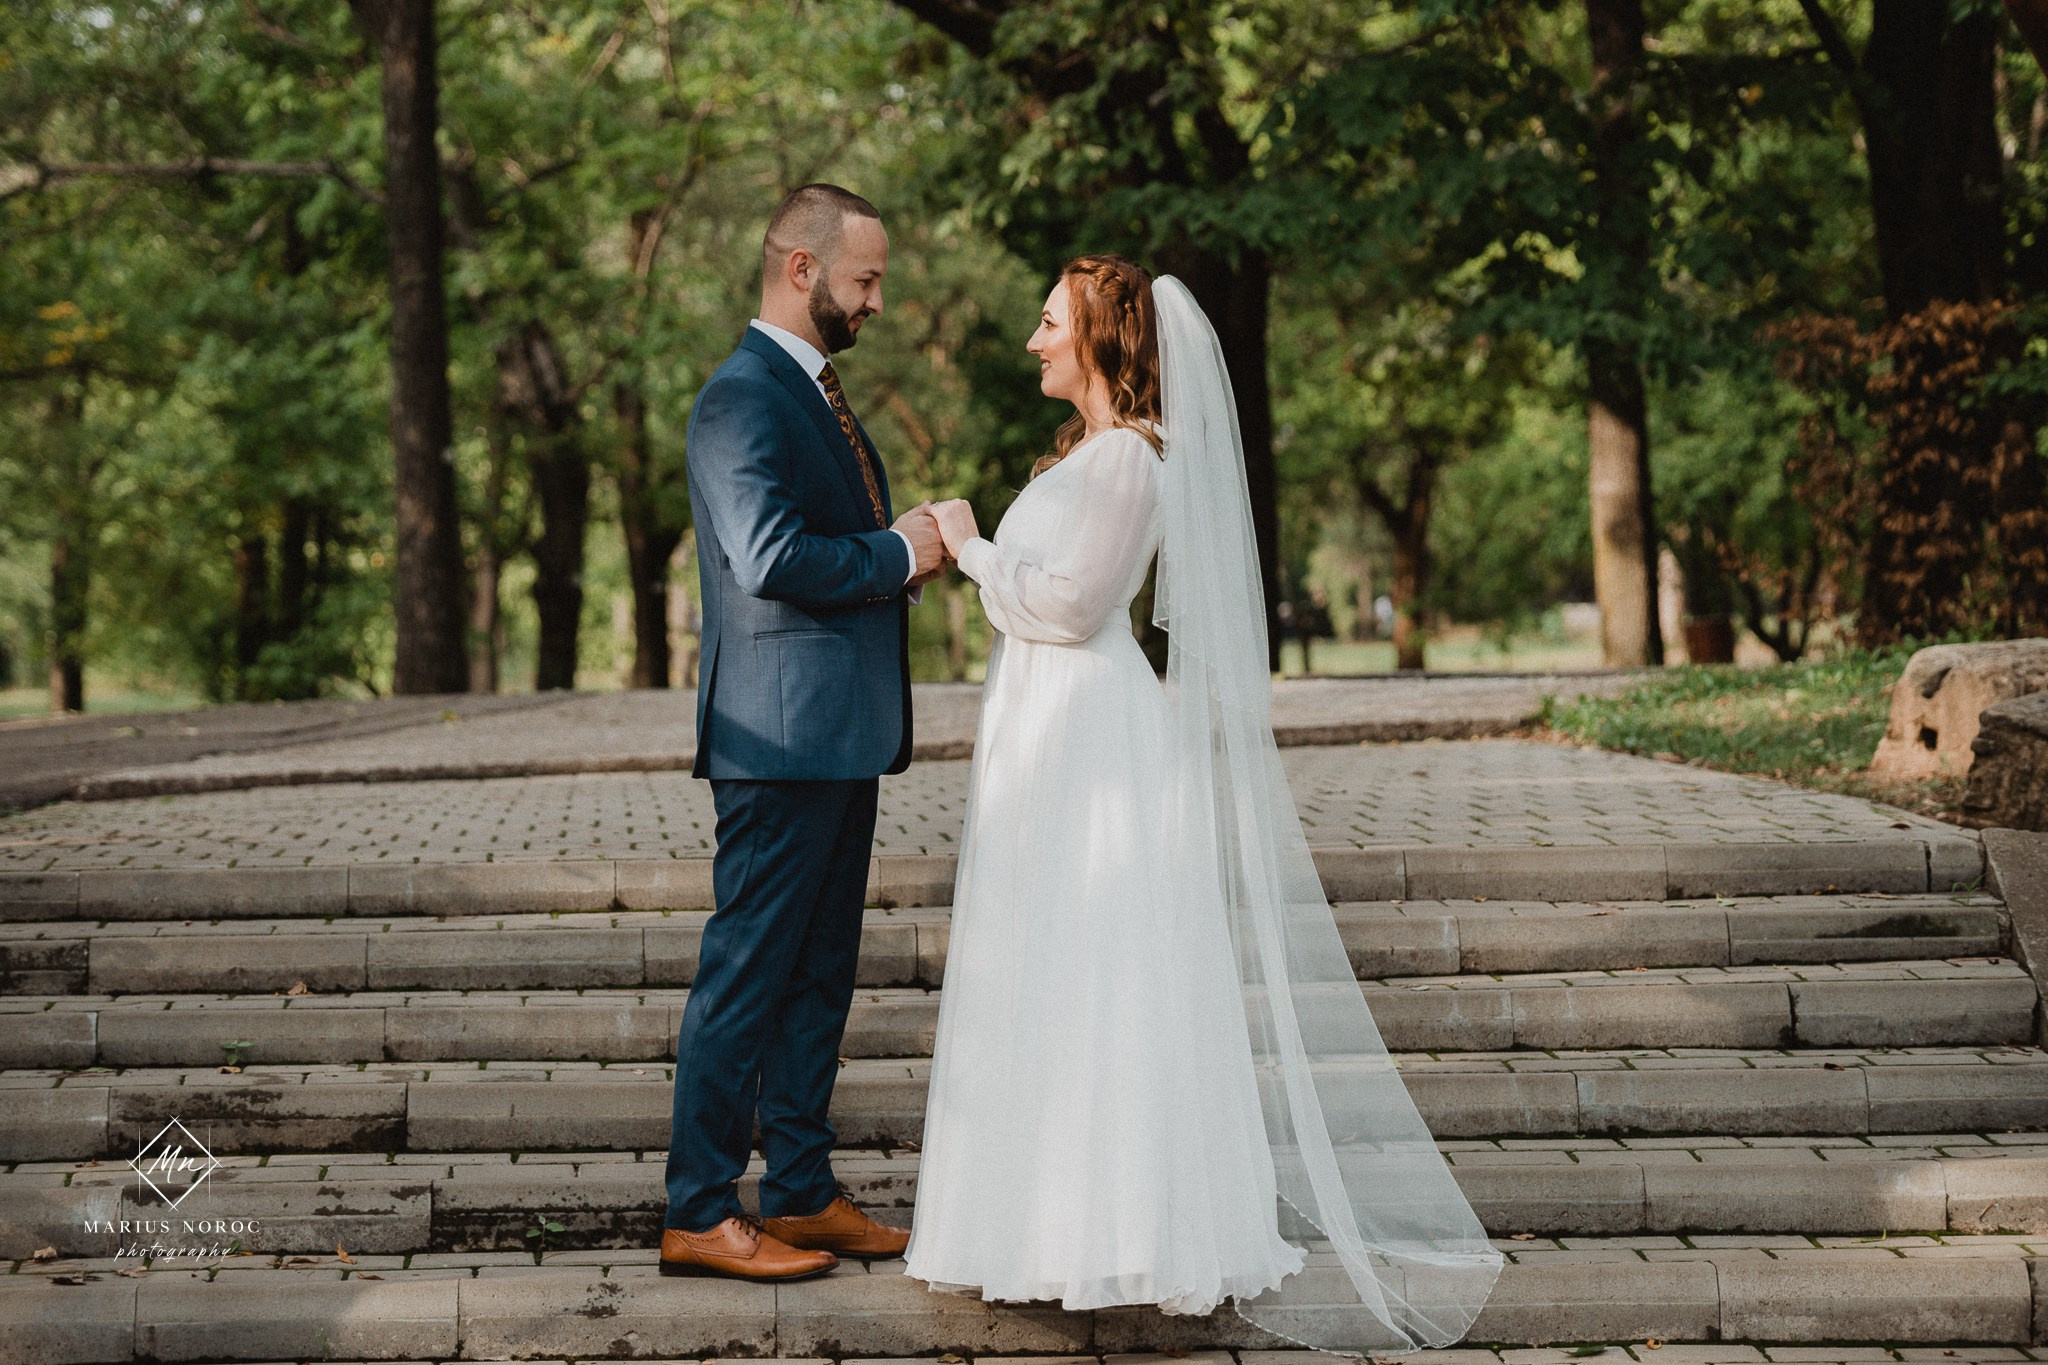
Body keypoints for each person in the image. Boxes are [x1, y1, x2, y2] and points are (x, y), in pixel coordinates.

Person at [905, 257, 1502, 1352]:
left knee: (1098, 968)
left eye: (1048, 324)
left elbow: (1076, 606)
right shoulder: (1087, 453)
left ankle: (1123, 1232)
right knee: (1042, 966)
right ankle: (1036, 1223)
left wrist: (971, 540)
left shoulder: (1133, 457)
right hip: (1045, 734)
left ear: (1096, 336)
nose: (1032, 342)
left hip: (1091, 737)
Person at [657, 184, 946, 1283]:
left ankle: (800, 1190)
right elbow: (769, 555)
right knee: (748, 971)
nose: (876, 300)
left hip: (836, 734)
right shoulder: (741, 398)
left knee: (818, 973)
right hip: (775, 739)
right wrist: (898, 552)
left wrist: (891, 548)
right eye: (864, 279)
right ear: (800, 269)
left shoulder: (813, 394)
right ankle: (695, 1207)